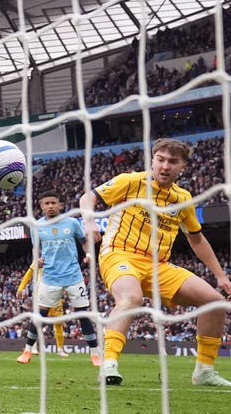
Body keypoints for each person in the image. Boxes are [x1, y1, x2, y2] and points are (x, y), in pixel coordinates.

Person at [79, 138, 231, 386]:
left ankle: (204, 371)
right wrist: (89, 221)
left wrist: (221, 276)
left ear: (182, 165)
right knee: (131, 297)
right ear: (152, 159)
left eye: (172, 161)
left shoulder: (183, 198)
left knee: (214, 302)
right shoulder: (130, 181)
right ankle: (108, 364)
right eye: (160, 159)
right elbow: (88, 198)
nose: (165, 166)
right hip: (119, 253)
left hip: (159, 265)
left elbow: (197, 239)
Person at [16, 191, 100, 366]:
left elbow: (84, 241)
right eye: (46, 203)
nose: (50, 206)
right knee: (41, 315)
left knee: (83, 314)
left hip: (73, 275)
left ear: (60, 205)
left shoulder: (71, 222)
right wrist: (37, 259)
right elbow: (36, 249)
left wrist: (89, 254)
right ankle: (27, 351)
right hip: (50, 277)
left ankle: (95, 354)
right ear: (41, 206)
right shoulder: (36, 227)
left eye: (53, 202)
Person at [17, 263, 69, 358]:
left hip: (56, 295)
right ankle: (33, 346)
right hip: (42, 294)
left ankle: (60, 349)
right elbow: (29, 272)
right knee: (38, 321)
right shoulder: (41, 259)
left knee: (58, 322)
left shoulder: (60, 259)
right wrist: (20, 288)